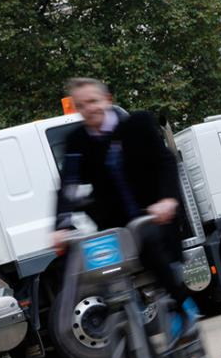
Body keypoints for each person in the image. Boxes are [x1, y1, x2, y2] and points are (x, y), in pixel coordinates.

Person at [52, 77, 196, 337]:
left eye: (94, 101)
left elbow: (165, 163)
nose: (89, 109)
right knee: (91, 265)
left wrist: (167, 200)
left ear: (107, 100)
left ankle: (182, 306)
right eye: (81, 105)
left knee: (151, 245)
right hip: (114, 225)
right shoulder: (77, 141)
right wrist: (61, 226)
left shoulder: (138, 125)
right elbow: (68, 185)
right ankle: (127, 337)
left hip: (154, 216)